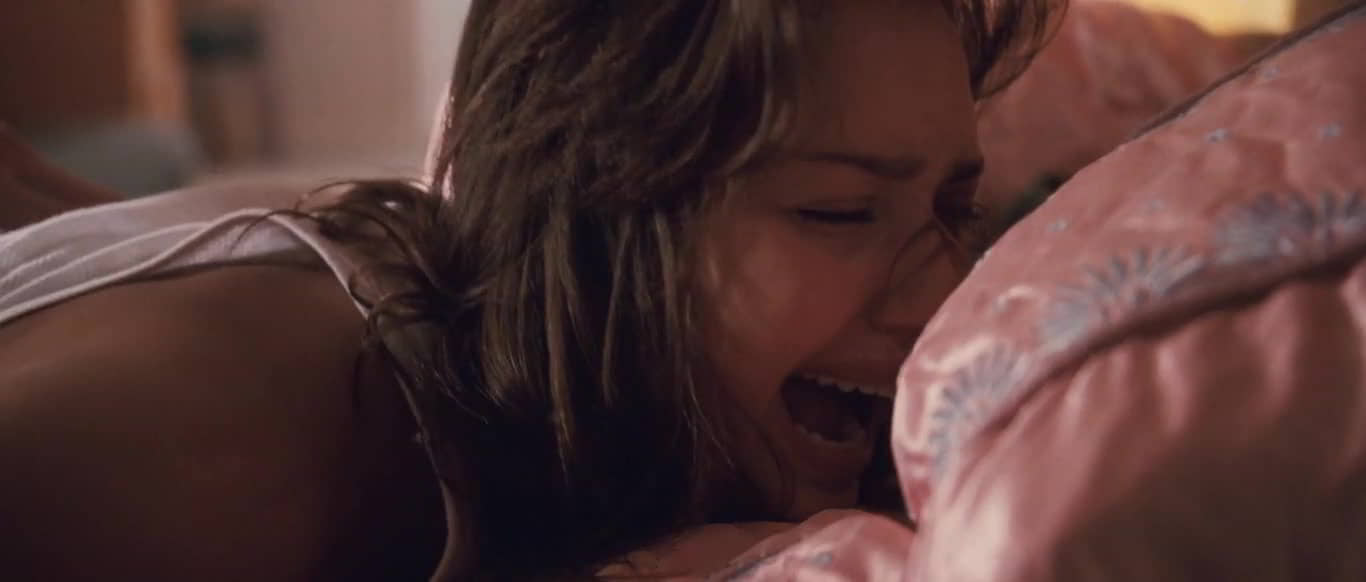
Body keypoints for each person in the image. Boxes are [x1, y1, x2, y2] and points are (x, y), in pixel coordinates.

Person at [0, 0, 1055, 579]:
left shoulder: (617, 421)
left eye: (952, 208)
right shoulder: (245, 450)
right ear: (601, 208)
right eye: (839, 211)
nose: (943, 302)